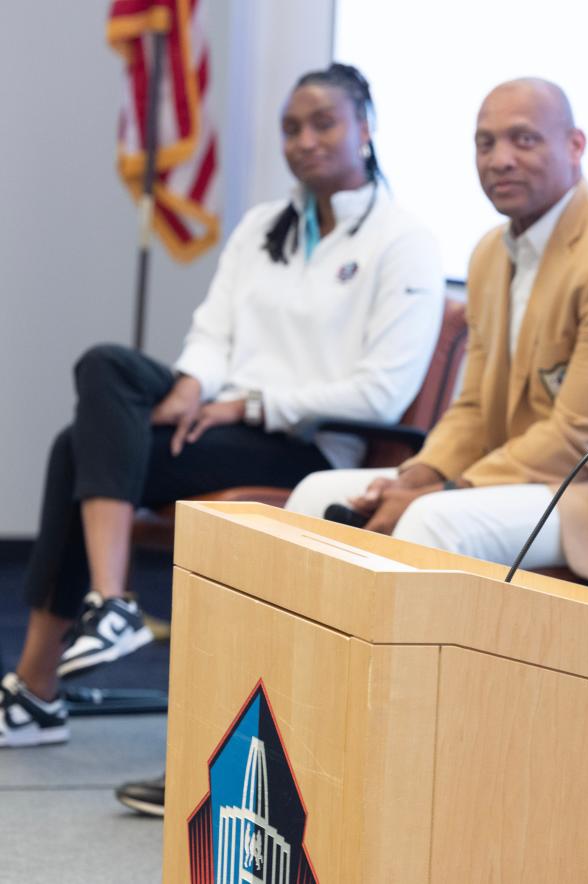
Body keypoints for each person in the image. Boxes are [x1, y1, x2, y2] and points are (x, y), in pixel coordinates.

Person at [0, 63, 445, 755]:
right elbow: (212, 333)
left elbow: (381, 391)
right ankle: (109, 608)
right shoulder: (263, 226)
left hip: (309, 443)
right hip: (222, 417)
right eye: (291, 128)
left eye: (323, 123)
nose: (304, 141)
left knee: (74, 444)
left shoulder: (403, 241)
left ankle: (40, 686)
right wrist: (189, 387)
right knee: (105, 368)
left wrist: (247, 405)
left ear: (366, 127)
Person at [286, 78, 588, 590]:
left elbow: (579, 440)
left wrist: (443, 491)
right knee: (316, 495)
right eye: (485, 143)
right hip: (522, 480)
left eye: (524, 139)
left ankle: (412, 673)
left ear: (575, 146)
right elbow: (472, 409)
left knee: (433, 521)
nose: (500, 159)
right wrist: (417, 475)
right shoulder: (491, 253)